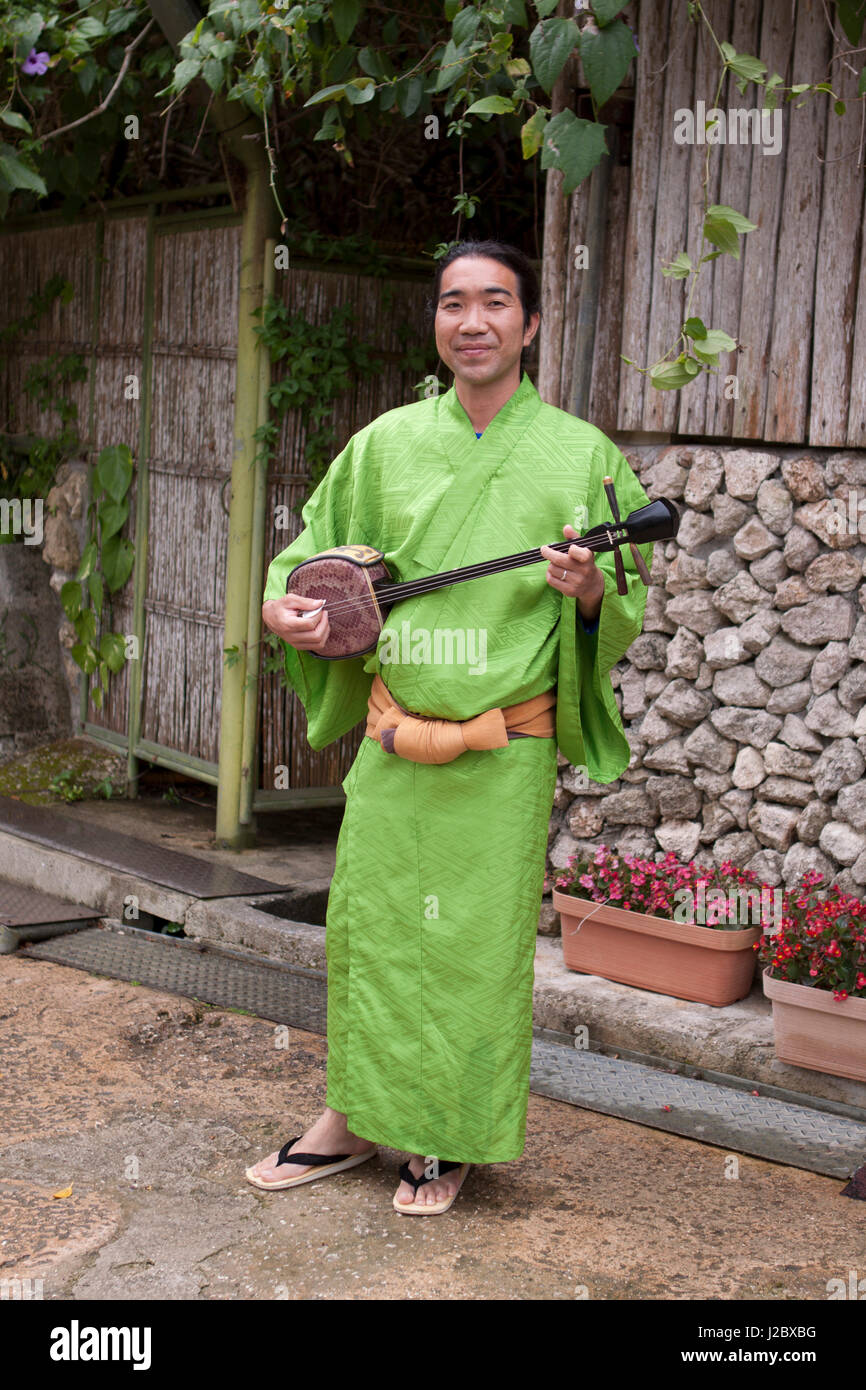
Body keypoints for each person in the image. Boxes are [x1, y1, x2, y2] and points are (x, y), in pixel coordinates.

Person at [246, 239, 653, 1215]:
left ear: (530, 324)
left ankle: (446, 1136)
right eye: (452, 303)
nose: (471, 321)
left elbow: (622, 600)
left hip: (498, 748)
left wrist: (590, 591)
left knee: (472, 945)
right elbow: (304, 559)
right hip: (392, 735)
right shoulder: (383, 444)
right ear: (435, 322)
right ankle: (351, 1115)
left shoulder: (579, 454)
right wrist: (282, 607)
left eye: (495, 303)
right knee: (370, 933)